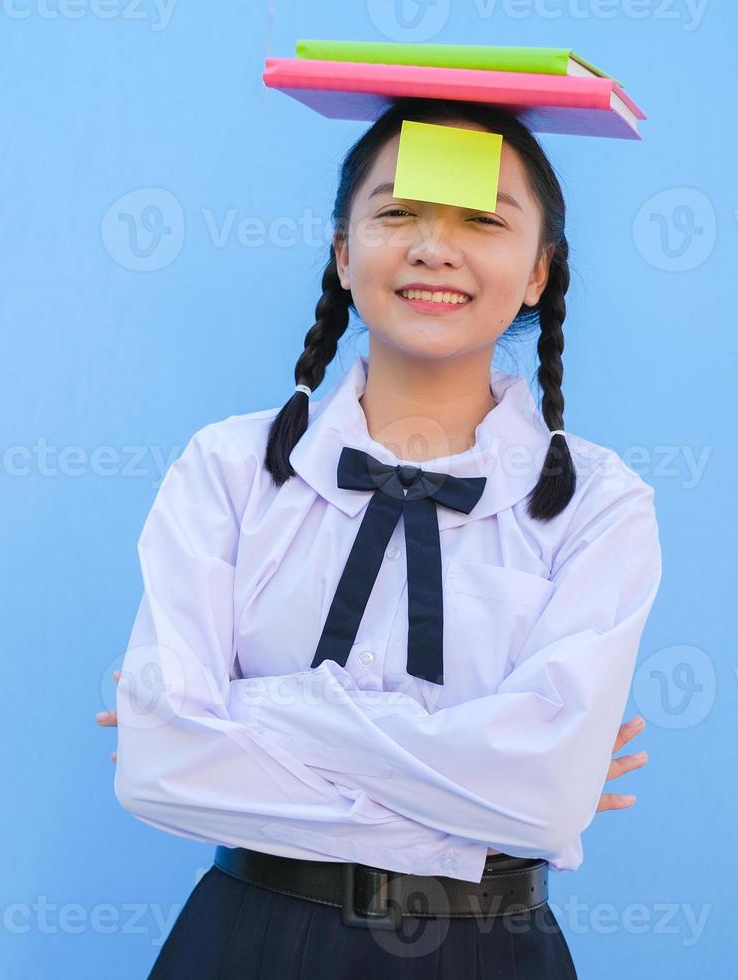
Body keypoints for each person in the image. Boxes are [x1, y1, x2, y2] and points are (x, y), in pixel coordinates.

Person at [97, 95, 662, 977]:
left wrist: (246, 710)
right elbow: (160, 768)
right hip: (248, 939)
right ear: (342, 249)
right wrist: (471, 782)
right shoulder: (231, 469)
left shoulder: (598, 503)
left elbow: (544, 802)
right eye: (397, 212)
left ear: (541, 270)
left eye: (481, 219)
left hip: (490, 950)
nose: (434, 246)